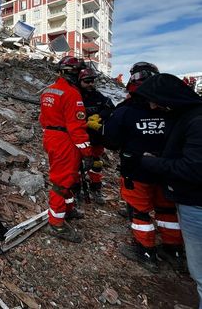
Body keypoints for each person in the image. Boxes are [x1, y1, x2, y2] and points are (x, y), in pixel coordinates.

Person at [129, 73, 202, 305]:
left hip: (195, 203)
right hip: (185, 197)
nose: (152, 106)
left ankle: (148, 251)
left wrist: (152, 162)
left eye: (155, 100)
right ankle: (172, 250)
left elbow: (194, 168)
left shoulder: (196, 120)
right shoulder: (187, 116)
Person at [103, 62, 183, 273]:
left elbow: (110, 139)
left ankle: (146, 251)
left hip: (136, 170)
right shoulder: (174, 110)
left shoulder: (125, 111)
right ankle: (173, 249)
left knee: (140, 212)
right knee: (167, 209)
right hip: (167, 169)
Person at [39, 56, 91, 243]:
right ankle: (56, 223)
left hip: (52, 137)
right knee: (61, 181)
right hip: (64, 140)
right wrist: (87, 152)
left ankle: (67, 210)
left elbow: (43, 119)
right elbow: (77, 127)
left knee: (68, 177)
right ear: (74, 73)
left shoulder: (48, 91)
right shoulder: (71, 94)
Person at [77, 68, 115, 204]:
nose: (90, 84)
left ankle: (96, 189)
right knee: (76, 165)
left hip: (96, 139)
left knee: (96, 165)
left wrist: (99, 116)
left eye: (92, 81)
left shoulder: (98, 96)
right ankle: (76, 190)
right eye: (87, 81)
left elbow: (110, 106)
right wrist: (85, 121)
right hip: (79, 138)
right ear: (80, 81)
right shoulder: (75, 95)